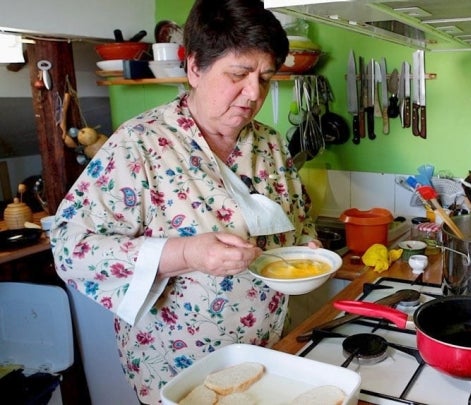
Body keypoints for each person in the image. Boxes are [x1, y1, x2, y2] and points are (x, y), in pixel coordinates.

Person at [50, 1, 318, 403]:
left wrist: (308, 246)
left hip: (267, 352)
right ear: (194, 68)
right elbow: (70, 249)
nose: (253, 94)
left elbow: (299, 219)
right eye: (239, 74)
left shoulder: (270, 142)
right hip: (179, 367)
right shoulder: (139, 143)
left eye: (265, 78)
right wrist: (184, 253)